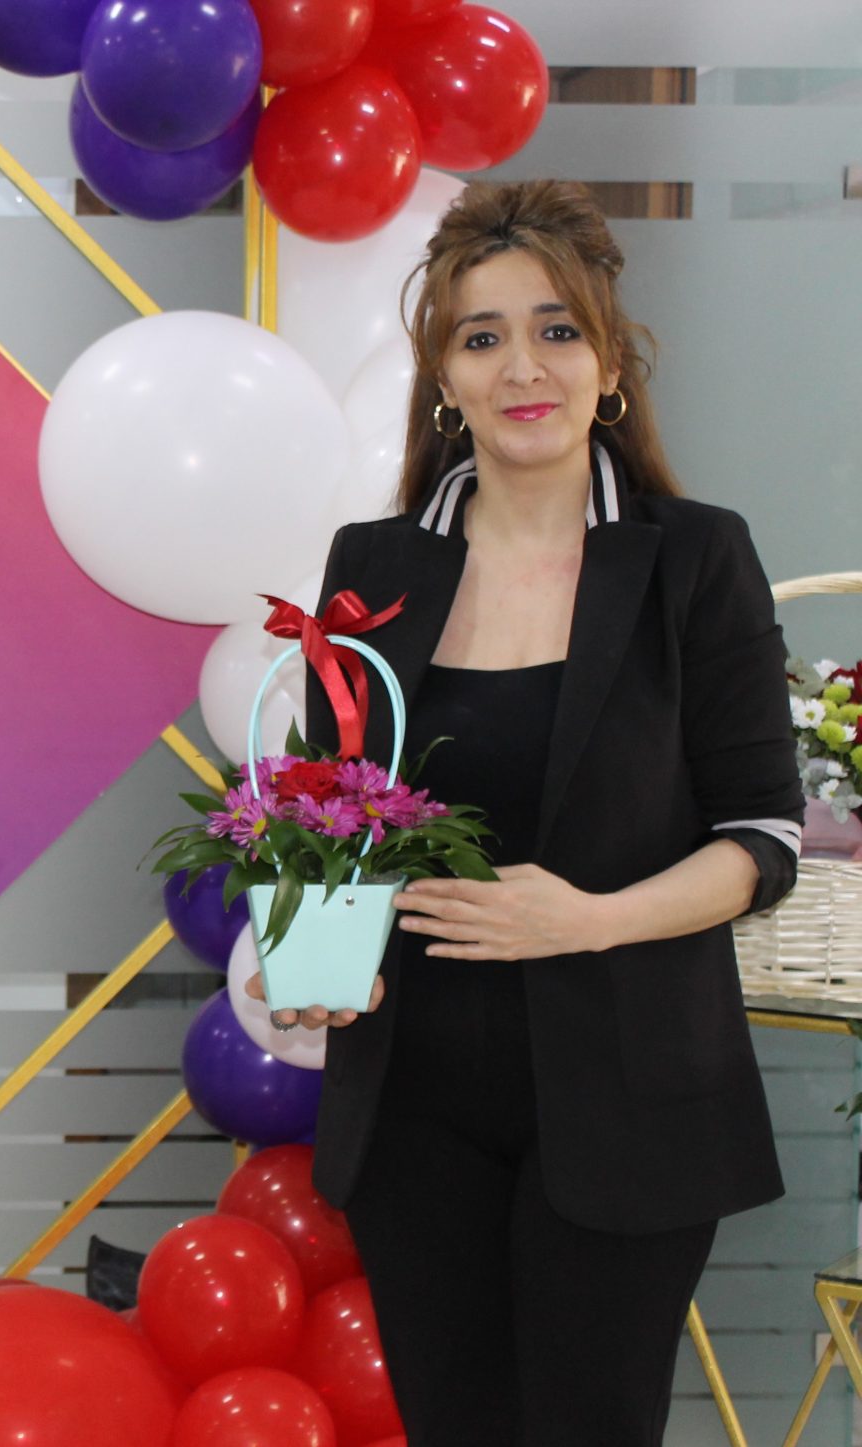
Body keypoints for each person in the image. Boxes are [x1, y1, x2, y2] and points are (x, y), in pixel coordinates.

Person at [245, 179, 803, 1444]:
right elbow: (328, 812)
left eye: (554, 329)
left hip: (629, 1099)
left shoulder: (692, 557)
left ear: (607, 361)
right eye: (479, 336)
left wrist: (586, 918)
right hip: (413, 1107)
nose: (520, 367)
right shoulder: (374, 564)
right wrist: (310, 951)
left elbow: (761, 836)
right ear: (444, 376)